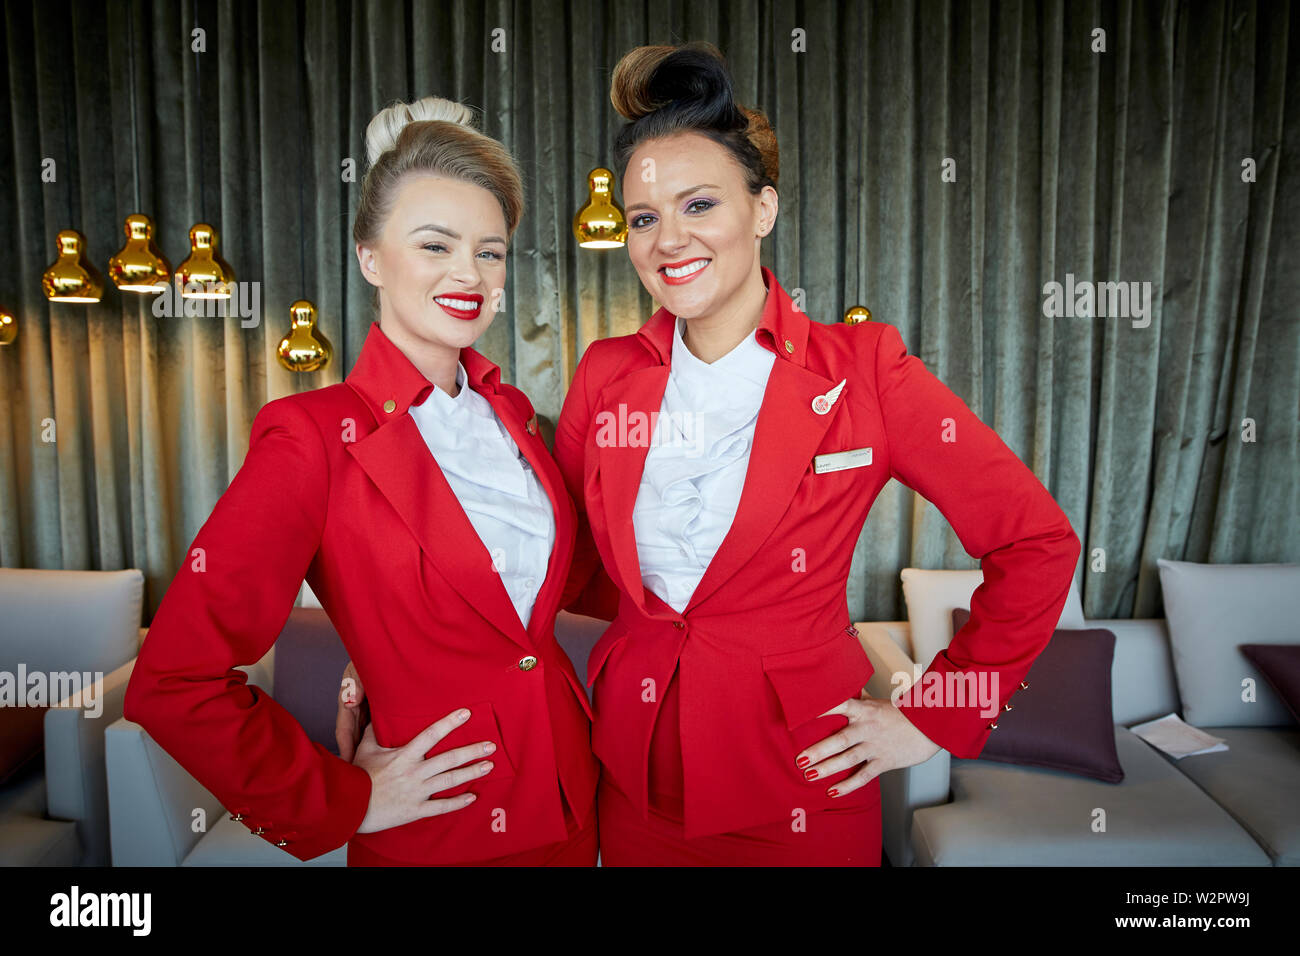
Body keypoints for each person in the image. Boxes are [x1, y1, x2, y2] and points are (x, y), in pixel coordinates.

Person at [549, 42, 1081, 865]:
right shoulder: (606, 375)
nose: (667, 240)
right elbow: (563, 564)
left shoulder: (865, 370)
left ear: (762, 210)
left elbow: (1038, 543)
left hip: (801, 777)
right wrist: (390, 661)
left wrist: (930, 716)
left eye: (699, 205)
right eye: (644, 218)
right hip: (631, 775)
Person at [123, 95, 605, 866]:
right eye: (434, 245)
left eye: (490, 250)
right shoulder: (311, 437)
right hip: (437, 828)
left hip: (572, 799)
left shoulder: (517, 418)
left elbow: (566, 586)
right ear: (370, 258)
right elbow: (174, 680)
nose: (467, 273)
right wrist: (344, 800)